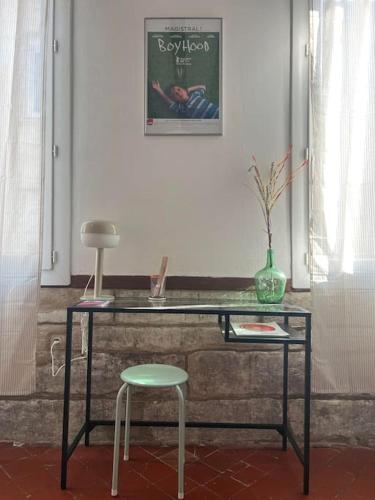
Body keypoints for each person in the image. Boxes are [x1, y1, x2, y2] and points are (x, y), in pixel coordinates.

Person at [151, 81, 219, 119]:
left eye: (179, 89)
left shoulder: (195, 94)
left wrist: (187, 90)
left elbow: (203, 87)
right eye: (175, 94)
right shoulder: (181, 108)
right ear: (175, 100)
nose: (178, 93)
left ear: (183, 89)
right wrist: (158, 89)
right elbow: (167, 99)